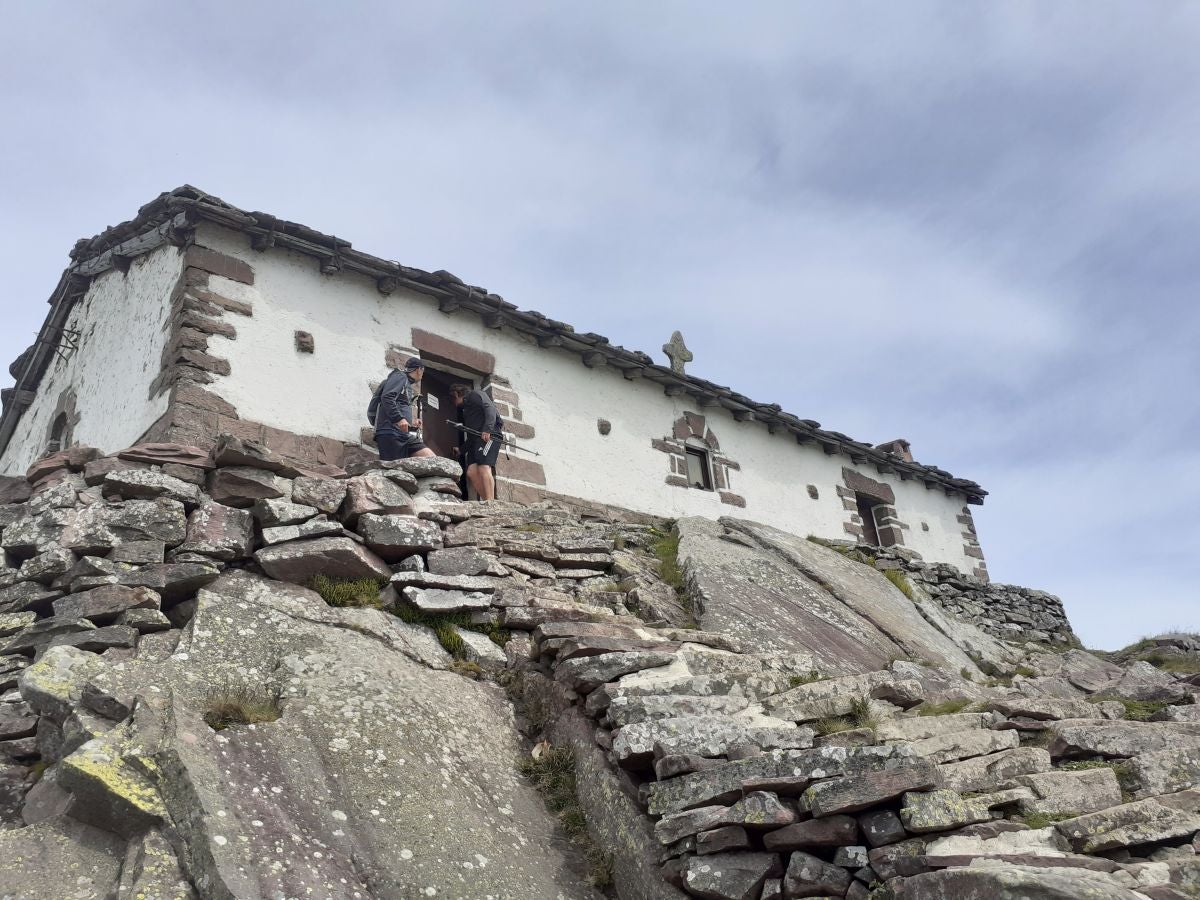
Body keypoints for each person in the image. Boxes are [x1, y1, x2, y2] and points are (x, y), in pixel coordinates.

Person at [372, 358, 435, 461]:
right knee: (393, 468)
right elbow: (387, 397)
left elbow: (399, 405)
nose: (422, 375)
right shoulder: (400, 376)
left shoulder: (406, 382)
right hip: (390, 432)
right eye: (423, 371)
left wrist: (411, 424)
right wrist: (399, 419)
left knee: (430, 458)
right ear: (419, 370)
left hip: (401, 434)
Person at [450, 383, 501, 501]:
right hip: (477, 440)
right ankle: (488, 502)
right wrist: (461, 449)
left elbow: (490, 408)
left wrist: (488, 429)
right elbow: (472, 434)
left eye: (453, 399)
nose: (453, 403)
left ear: (457, 394)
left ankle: (491, 503)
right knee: (471, 472)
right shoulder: (466, 409)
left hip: (490, 435)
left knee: (483, 466)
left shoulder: (475, 394)